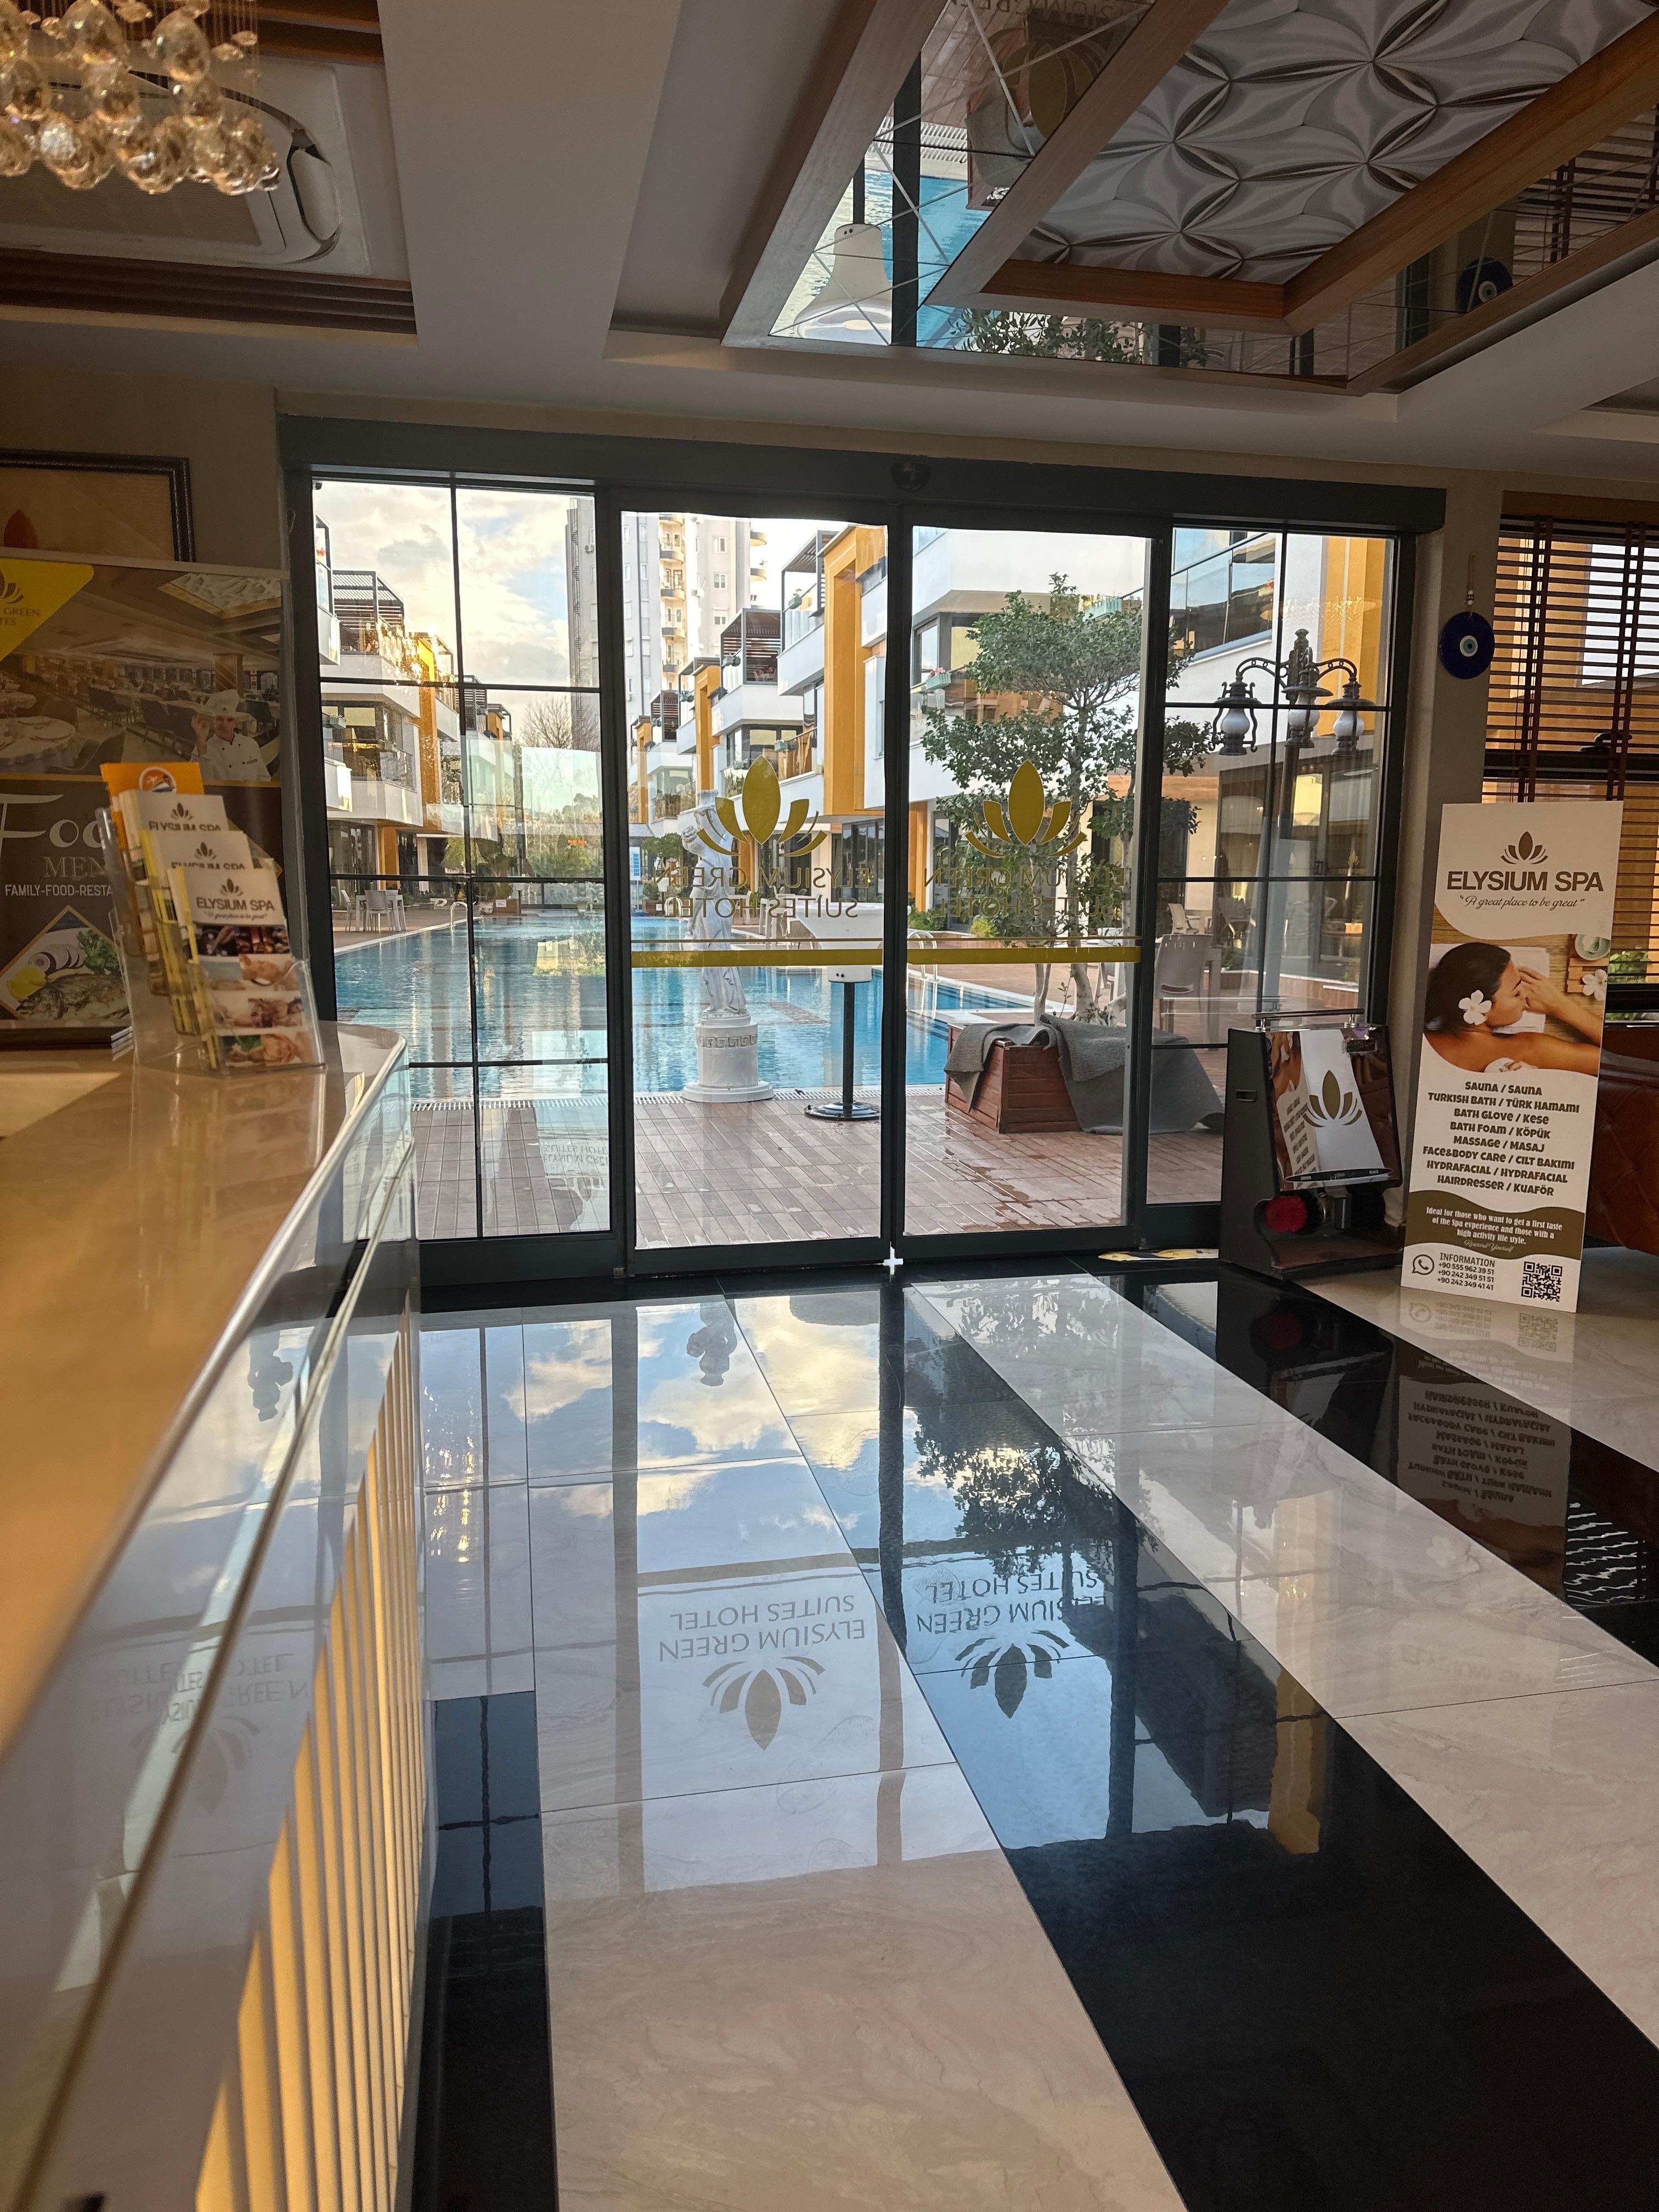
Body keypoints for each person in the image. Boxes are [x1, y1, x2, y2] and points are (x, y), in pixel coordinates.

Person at [1423, 940, 1602, 1074]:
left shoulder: (1419, 1044)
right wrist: (1560, 1005)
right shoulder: (1530, 1050)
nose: (1526, 993)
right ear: (1481, 1009)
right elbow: (1613, 1060)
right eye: (1516, 993)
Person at [191, 691, 270, 783]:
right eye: (220, 719)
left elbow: (264, 777)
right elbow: (193, 781)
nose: (224, 725)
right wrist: (201, 739)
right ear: (214, 722)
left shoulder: (251, 744)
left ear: (235, 723)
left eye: (229, 720)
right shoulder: (204, 747)